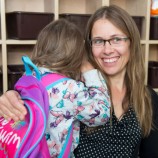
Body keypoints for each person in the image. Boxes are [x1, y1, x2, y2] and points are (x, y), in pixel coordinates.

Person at [0, 5, 158, 158]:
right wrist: (11, 97)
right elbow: (32, 106)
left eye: (116, 39)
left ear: (132, 43)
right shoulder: (74, 88)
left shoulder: (147, 97)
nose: (108, 49)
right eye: (98, 41)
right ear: (87, 47)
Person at [0, 19, 111, 157]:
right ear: (77, 56)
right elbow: (102, 114)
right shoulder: (70, 88)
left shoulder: (29, 76)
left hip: (27, 150)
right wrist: (90, 72)